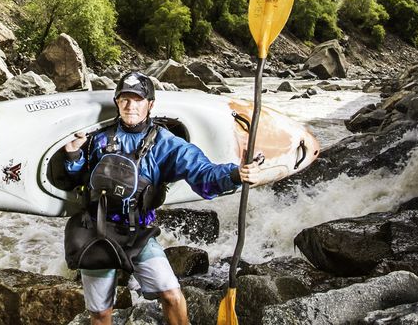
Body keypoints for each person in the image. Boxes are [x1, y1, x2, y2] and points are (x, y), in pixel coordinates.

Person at [62, 71, 267, 325]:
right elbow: (77, 179)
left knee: (171, 294)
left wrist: (235, 174)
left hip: (138, 232)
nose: (130, 105)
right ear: (117, 101)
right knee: (101, 312)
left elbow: (203, 174)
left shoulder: (166, 144)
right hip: (97, 229)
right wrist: (73, 156)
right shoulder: (98, 138)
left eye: (137, 99)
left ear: (150, 104)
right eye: (124, 98)